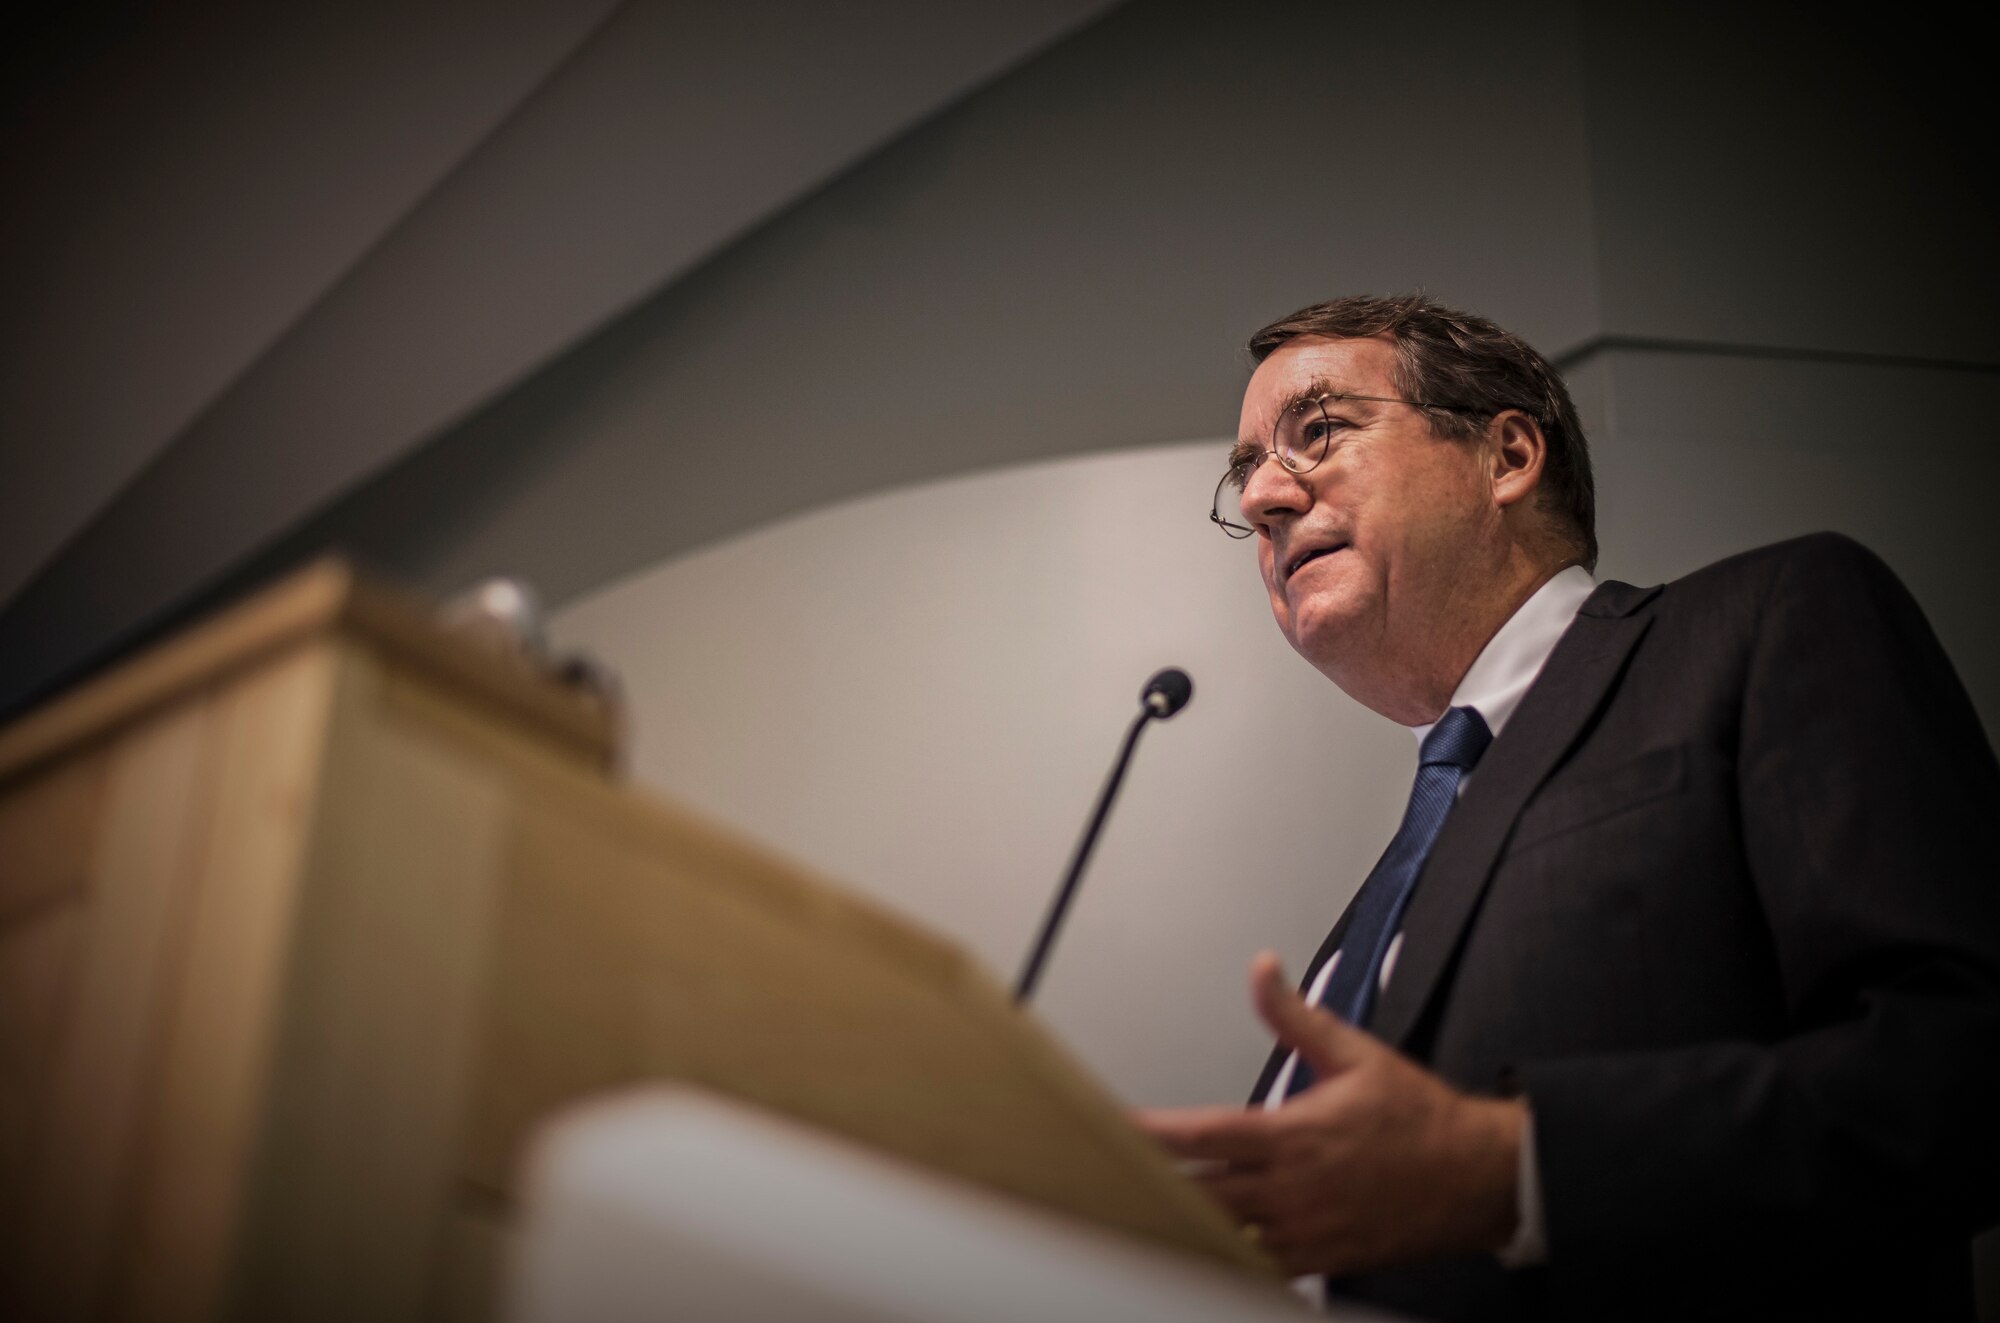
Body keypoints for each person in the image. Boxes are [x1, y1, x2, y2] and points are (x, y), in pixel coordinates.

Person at [1134, 295, 2000, 1321]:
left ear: (1504, 456)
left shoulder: (1766, 624)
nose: (1267, 497)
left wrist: (1519, 1171)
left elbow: (1963, 1063)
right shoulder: (1401, 871)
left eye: (1315, 432)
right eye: (1245, 473)